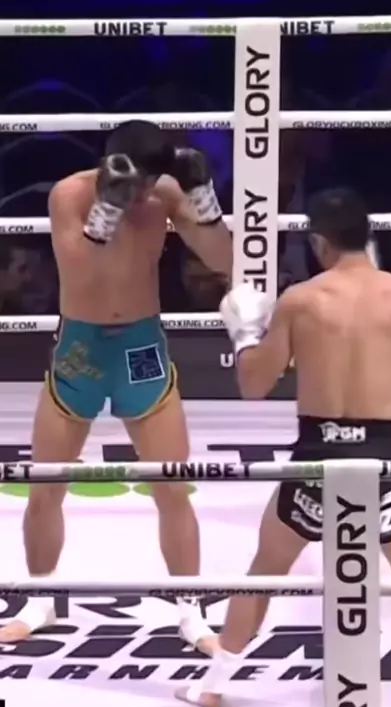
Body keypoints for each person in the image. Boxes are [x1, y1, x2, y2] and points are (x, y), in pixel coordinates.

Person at [179, 187, 391, 707]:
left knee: (264, 572)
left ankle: (213, 685)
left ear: (317, 241)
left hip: (317, 455)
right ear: (368, 234)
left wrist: (245, 333)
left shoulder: (301, 300)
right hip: (383, 457)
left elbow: (253, 385)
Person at [0, 119, 233, 654]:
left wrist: (203, 201)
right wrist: (106, 208)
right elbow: (82, 274)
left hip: (140, 347)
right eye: (140, 184)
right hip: (82, 348)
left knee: (172, 486)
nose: (146, 195)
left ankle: (190, 611)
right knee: (46, 486)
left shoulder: (164, 195)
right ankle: (40, 600)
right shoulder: (70, 195)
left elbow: (225, 260)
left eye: (153, 184)